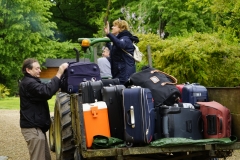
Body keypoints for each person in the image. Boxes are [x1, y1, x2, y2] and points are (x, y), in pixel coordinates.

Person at [19, 58, 69, 160]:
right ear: (28, 70)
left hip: (37, 129)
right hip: (33, 129)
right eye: (37, 68)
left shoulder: (31, 81)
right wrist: (59, 73)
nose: (40, 70)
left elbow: (46, 89)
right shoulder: (29, 83)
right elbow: (46, 92)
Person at [104, 19, 139, 84]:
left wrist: (109, 34)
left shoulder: (126, 38)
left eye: (114, 26)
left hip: (124, 73)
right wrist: (108, 43)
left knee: (123, 90)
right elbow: (114, 52)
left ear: (121, 28)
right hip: (120, 72)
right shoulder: (119, 39)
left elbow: (121, 44)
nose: (112, 27)